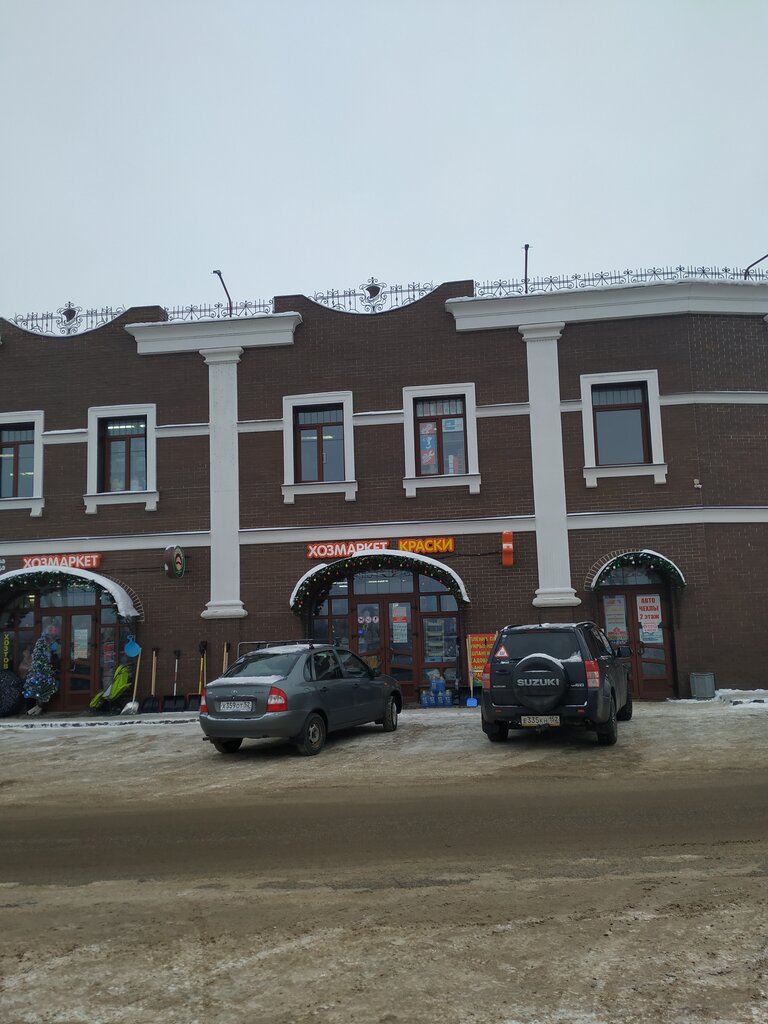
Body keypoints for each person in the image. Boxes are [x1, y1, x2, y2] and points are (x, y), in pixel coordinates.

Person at [22, 627, 60, 715]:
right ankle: (31, 710)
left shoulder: (50, 648)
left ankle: (34, 709)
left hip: (43, 672)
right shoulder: (42, 646)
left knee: (40, 690)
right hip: (39, 672)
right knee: (35, 690)